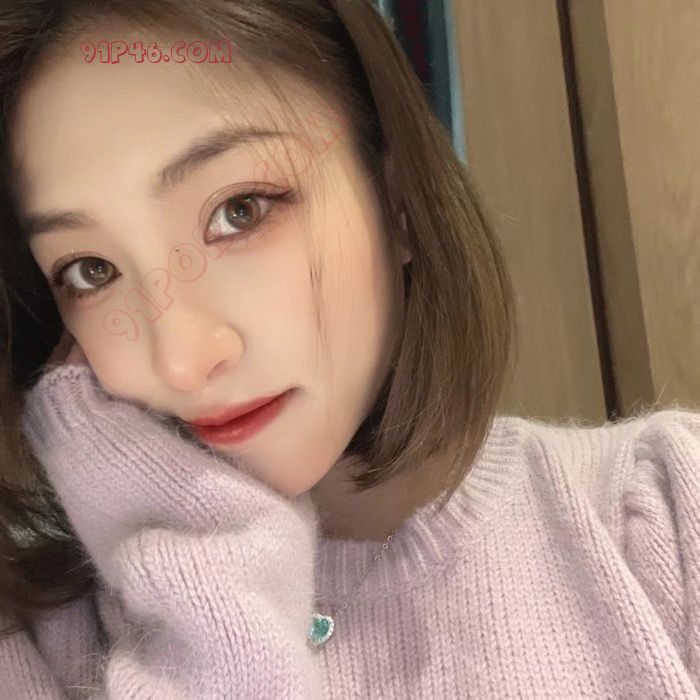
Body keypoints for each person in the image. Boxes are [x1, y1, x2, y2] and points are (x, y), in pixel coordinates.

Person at [0, 1, 698, 698]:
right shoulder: (33, 650)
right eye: (91, 270)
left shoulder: (668, 512)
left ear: (397, 202)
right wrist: (208, 599)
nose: (180, 361)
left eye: (239, 211)